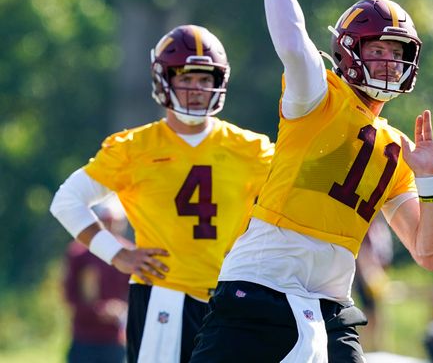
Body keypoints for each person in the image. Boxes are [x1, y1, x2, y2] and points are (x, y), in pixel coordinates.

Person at [188, 0, 433, 362]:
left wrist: (431, 181)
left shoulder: (398, 150)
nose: (390, 62)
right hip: (258, 288)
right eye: (379, 50)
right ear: (350, 51)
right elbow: (292, 41)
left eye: (399, 53)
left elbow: (430, 255)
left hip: (331, 307)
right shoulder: (319, 96)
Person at [50, 24, 274, 363]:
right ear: (164, 79)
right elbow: (67, 201)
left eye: (205, 79)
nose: (196, 89)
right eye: (186, 77)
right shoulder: (135, 148)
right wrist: (117, 253)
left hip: (231, 297)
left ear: (219, 82)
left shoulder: (251, 149)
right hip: (163, 296)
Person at [63, 196, 130, 363]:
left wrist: (121, 311)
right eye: (105, 221)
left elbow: (138, 297)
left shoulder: (130, 254)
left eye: (114, 221)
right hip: (84, 338)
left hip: (115, 340)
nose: (110, 226)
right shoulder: (79, 253)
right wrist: (98, 310)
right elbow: (70, 296)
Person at [353, 215, 394, 351]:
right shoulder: (367, 225)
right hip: (364, 274)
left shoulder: (380, 227)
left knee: (376, 312)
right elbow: (362, 250)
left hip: (377, 273)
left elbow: (383, 253)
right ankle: (364, 347)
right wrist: (367, 273)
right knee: (366, 313)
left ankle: (376, 347)